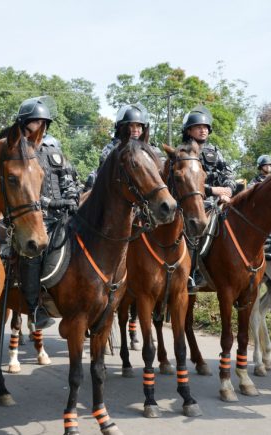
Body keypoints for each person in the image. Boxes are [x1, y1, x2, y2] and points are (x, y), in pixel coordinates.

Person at [15, 96, 80, 329]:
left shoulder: (54, 153)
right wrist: (51, 203)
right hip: (34, 218)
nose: (40, 126)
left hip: (63, 217)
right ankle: (34, 308)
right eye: (35, 122)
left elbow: (69, 181)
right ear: (23, 124)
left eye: (44, 122)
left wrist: (72, 199)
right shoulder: (19, 153)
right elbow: (27, 193)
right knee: (32, 255)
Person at [182, 105, 239, 291]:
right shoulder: (183, 152)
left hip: (221, 200)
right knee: (198, 225)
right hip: (194, 202)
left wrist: (228, 190)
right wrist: (212, 190)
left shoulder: (215, 151)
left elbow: (229, 174)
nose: (203, 129)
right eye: (198, 126)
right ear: (189, 130)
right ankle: (192, 272)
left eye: (206, 127)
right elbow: (186, 183)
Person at [83, 103, 162, 191]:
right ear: (122, 128)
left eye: (138, 125)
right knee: (92, 178)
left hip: (148, 193)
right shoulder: (111, 148)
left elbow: (163, 172)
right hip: (116, 192)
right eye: (131, 125)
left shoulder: (153, 150)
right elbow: (105, 174)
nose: (135, 129)